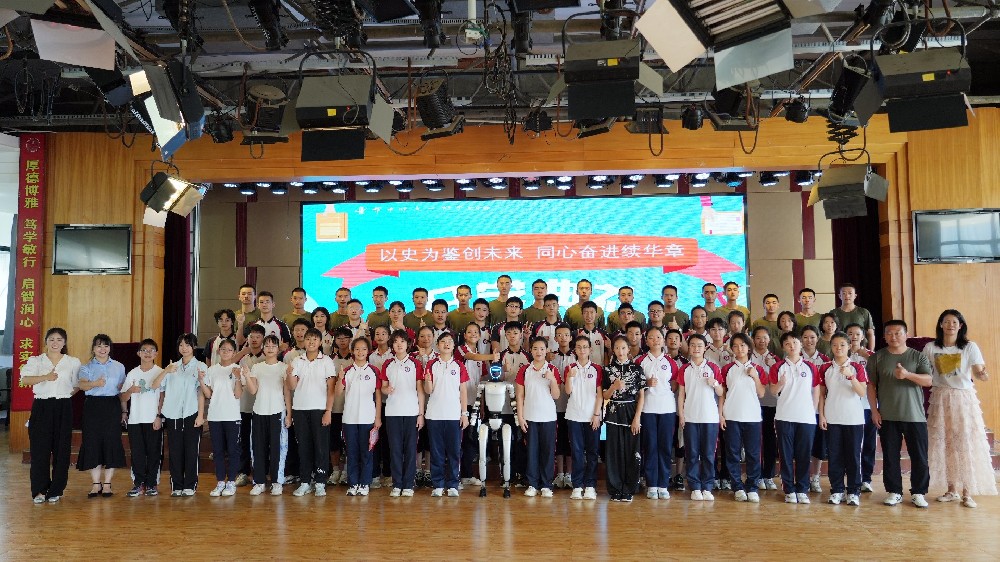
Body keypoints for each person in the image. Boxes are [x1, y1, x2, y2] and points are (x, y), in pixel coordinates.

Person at [923, 309, 997, 508]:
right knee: (947, 444)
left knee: (965, 443)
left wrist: (983, 375)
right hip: (940, 398)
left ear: (961, 325)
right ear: (941, 324)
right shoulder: (931, 347)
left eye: (954, 322)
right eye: (946, 322)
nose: (950, 325)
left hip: (963, 398)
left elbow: (979, 372)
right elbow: (924, 371)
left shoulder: (970, 347)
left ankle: (967, 492)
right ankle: (951, 490)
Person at [868, 320, 933, 508]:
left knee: (919, 456)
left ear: (906, 335)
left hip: (915, 416)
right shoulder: (877, 357)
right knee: (890, 456)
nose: (893, 336)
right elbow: (871, 386)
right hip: (887, 415)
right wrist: (874, 410)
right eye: (889, 333)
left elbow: (928, 380)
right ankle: (894, 491)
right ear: (884, 336)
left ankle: (919, 492)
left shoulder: (918, 356)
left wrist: (907, 375)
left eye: (898, 333)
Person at [21, 327, 81, 503]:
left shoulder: (73, 362)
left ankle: (56, 490)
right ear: (46, 341)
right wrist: (45, 377)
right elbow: (25, 379)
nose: (55, 343)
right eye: (52, 339)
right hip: (42, 405)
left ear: (64, 342)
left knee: (62, 449)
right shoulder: (36, 360)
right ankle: (39, 491)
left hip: (63, 406)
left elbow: (77, 384)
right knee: (40, 449)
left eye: (59, 339)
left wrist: (64, 395)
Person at [151, 333, 206, 497]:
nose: (184, 348)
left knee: (191, 451)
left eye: (188, 345)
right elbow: (155, 386)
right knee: (175, 451)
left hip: (191, 413)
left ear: (194, 346)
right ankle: (176, 485)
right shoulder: (172, 366)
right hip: (172, 414)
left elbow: (201, 393)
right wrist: (166, 371)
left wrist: (201, 415)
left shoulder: (200, 366)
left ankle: (190, 485)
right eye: (181, 345)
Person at [769, 332, 821, 504]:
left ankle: (802, 489)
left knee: (804, 455)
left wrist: (812, 411)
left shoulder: (810, 367)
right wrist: (781, 383)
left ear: (800, 345)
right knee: (786, 455)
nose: (792, 346)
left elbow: (816, 390)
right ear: (783, 347)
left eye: (795, 343)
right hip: (784, 416)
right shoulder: (778, 367)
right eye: (788, 344)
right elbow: (773, 391)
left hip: (806, 418)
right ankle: (789, 489)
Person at [817, 332, 868, 506]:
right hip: (832, 418)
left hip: (853, 419)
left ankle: (853, 491)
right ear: (830, 347)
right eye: (835, 345)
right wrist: (822, 415)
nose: (838, 348)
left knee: (853, 456)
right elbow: (821, 394)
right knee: (835, 456)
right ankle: (837, 490)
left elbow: (862, 392)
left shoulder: (856, 367)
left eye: (842, 345)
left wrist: (850, 376)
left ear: (849, 347)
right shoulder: (825, 368)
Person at [76, 334, 127, 498]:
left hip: (112, 406)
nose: (102, 349)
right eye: (99, 346)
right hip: (93, 407)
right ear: (93, 348)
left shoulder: (119, 366)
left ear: (110, 348)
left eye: (106, 346)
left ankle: (107, 484)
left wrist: (124, 411)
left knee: (111, 442)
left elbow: (121, 392)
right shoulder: (86, 367)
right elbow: (82, 385)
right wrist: (95, 383)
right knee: (93, 443)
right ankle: (95, 484)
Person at [287, 328, 336, 497]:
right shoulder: (297, 360)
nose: (311, 342)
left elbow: (331, 389)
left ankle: (320, 482)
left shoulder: (326, 361)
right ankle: (305, 481)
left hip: (320, 409)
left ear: (320, 342)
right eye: (308, 339)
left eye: (315, 339)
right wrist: (289, 374)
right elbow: (292, 386)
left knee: (321, 447)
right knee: (303, 447)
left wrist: (328, 411)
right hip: (300, 409)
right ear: (304, 341)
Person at [720, 333, 766, 503]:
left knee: (753, 454)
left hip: (752, 417)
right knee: (733, 453)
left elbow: (761, 393)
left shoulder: (757, 368)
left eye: (743, 345)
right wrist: (721, 415)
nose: (739, 349)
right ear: (732, 349)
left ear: (749, 347)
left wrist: (755, 376)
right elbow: (722, 394)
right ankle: (737, 487)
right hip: (732, 416)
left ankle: (752, 487)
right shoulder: (727, 369)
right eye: (735, 346)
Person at [677, 334, 724, 501]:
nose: (696, 348)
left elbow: (721, 393)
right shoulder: (684, 369)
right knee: (692, 454)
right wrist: (681, 415)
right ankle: (695, 487)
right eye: (693, 345)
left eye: (699, 345)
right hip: (690, 417)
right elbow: (681, 394)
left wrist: (715, 384)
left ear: (705, 348)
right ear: (688, 348)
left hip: (710, 418)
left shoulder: (713, 367)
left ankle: (707, 486)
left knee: (709, 454)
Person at [245, 334, 292, 496]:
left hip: (278, 411)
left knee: (278, 448)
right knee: (258, 447)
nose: (270, 349)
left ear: (278, 349)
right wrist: (246, 376)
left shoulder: (283, 367)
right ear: (263, 349)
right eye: (267, 346)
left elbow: (287, 392)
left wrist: (289, 414)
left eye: (273, 346)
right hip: (259, 411)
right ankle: (259, 482)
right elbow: (253, 390)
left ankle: (277, 482)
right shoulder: (257, 367)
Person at [424, 332, 470, 497]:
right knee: (436, 451)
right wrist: (428, 381)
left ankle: (452, 484)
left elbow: (463, 391)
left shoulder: (459, 365)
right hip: (434, 415)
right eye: (443, 341)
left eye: (450, 341)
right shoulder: (431, 364)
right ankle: (438, 484)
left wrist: (464, 413)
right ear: (438, 345)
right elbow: (428, 391)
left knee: (454, 451)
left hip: (453, 415)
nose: (446, 344)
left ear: (453, 345)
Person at [381, 330, 426, 497]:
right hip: (392, 412)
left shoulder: (415, 363)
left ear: (408, 344)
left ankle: (408, 484)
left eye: (402, 341)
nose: (399, 344)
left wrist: (420, 414)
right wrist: (386, 389)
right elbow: (383, 387)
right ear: (392, 345)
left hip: (411, 412)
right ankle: (397, 484)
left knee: (410, 450)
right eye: (396, 341)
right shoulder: (387, 364)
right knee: (395, 450)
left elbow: (420, 390)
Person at [516, 337, 562, 498]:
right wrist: (520, 417)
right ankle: (532, 484)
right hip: (530, 417)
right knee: (531, 451)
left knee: (548, 452)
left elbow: (556, 395)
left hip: (548, 417)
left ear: (546, 350)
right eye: (535, 348)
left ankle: (546, 485)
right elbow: (520, 395)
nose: (539, 352)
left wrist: (552, 379)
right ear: (531, 350)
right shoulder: (525, 370)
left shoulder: (552, 369)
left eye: (542, 349)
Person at [337, 337, 382, 497]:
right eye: (357, 349)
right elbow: (338, 393)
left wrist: (377, 417)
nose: (360, 352)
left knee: (366, 453)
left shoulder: (374, 370)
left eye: (363, 349)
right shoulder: (347, 370)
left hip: (368, 419)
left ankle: (364, 483)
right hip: (349, 418)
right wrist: (340, 378)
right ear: (352, 351)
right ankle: (353, 483)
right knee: (352, 452)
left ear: (368, 351)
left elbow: (378, 396)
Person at [199, 339, 244, 497]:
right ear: (218, 351)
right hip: (215, 415)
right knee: (217, 451)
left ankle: (231, 481)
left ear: (234, 352)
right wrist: (201, 380)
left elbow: (238, 394)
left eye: (229, 350)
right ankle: (220, 482)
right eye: (223, 349)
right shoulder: (212, 370)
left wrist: (238, 378)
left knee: (232, 450)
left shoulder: (237, 369)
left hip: (232, 416)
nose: (226, 352)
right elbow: (208, 394)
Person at [636, 326, 677, 500]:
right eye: (651, 338)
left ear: (663, 340)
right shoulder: (640, 361)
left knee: (665, 447)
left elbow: (674, 384)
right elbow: (635, 385)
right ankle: (652, 483)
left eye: (658, 337)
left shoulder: (670, 361)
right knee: (650, 446)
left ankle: (663, 484)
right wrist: (646, 383)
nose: (655, 340)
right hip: (648, 409)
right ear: (646, 341)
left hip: (667, 409)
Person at [603, 336, 645, 502]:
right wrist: (614, 387)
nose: (620, 351)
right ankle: (615, 488)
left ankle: (629, 488)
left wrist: (637, 418)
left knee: (631, 451)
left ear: (628, 349)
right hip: (613, 412)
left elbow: (641, 396)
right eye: (617, 348)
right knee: (613, 452)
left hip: (631, 412)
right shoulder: (607, 369)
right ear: (613, 350)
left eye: (623, 348)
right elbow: (605, 395)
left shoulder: (637, 369)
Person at [120, 339, 165, 497]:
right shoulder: (132, 373)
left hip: (153, 419)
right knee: (137, 453)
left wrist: (159, 416)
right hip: (135, 419)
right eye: (144, 350)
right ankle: (138, 483)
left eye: (151, 350)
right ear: (138, 353)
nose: (147, 353)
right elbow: (123, 397)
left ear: (156, 354)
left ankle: (152, 483)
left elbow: (162, 396)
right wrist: (130, 390)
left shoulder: (160, 372)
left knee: (154, 453)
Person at [563, 336, 602, 500]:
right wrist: (570, 377)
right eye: (579, 347)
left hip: (592, 416)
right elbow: (568, 391)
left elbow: (600, 395)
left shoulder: (597, 369)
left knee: (592, 452)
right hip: (574, 416)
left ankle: (591, 486)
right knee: (577, 452)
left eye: (585, 347)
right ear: (575, 350)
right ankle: (577, 485)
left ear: (590, 349)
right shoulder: (570, 368)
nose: (582, 350)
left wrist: (596, 415)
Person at [457, 323, 495, 488]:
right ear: (465, 335)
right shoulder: (461, 350)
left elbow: (481, 381)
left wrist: (481, 405)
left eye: (476, 332)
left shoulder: (481, 357)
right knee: (458, 440)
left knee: (471, 440)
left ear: (480, 336)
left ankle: (467, 475)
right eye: (469, 332)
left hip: (475, 403)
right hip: (459, 403)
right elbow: (471, 357)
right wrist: (492, 356)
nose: (473, 334)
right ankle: (456, 476)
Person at [845, 323, 876, 492]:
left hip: (867, 405)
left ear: (863, 337)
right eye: (850, 333)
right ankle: (851, 477)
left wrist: (869, 358)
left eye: (857, 334)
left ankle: (866, 478)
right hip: (847, 405)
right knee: (851, 444)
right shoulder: (841, 355)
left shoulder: (872, 356)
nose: (854, 337)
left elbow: (878, 377)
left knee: (869, 443)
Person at [235, 324, 266, 487]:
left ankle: (261, 473)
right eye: (251, 336)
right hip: (245, 406)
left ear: (263, 339)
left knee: (261, 442)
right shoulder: (243, 359)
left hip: (263, 407)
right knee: (244, 440)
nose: (254, 339)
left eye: (258, 337)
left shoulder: (267, 358)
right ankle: (243, 472)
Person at [800, 325, 830, 493]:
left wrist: (822, 412)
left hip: (818, 410)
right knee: (803, 445)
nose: (809, 340)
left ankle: (815, 477)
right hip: (799, 410)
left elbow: (825, 389)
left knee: (818, 445)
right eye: (805, 337)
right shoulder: (795, 358)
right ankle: (803, 477)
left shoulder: (825, 360)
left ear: (818, 339)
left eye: (812, 337)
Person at [750, 325, 779, 490]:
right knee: (756, 442)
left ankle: (769, 475)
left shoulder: (776, 359)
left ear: (769, 340)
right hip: (753, 404)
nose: (762, 341)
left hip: (771, 404)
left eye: (765, 338)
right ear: (753, 340)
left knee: (770, 440)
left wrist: (773, 366)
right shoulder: (748, 358)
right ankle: (758, 475)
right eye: (758, 338)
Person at [550, 324, 576, 489]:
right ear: (555, 338)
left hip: (573, 406)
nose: (563, 338)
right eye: (559, 335)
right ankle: (560, 474)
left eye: (566, 334)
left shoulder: (576, 357)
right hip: (555, 406)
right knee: (559, 440)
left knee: (571, 440)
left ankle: (570, 474)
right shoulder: (550, 357)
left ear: (571, 337)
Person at [830, 283, 876, 353]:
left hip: (861, 351)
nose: (847, 296)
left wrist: (871, 352)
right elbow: (830, 334)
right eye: (844, 293)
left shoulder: (863, 312)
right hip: (840, 350)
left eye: (850, 293)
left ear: (855, 296)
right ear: (839, 296)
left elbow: (870, 334)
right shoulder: (833, 313)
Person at [578, 301, 611, 366]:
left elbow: (607, 355)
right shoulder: (577, 334)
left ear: (596, 314)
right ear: (582, 314)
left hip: (600, 369)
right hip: (581, 369)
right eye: (586, 312)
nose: (589, 315)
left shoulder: (603, 334)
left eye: (591, 312)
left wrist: (609, 347)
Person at [235, 284, 260, 349]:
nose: (246, 296)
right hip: (238, 350)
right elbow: (238, 341)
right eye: (243, 294)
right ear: (239, 297)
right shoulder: (235, 315)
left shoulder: (262, 314)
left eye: (249, 294)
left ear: (255, 296)